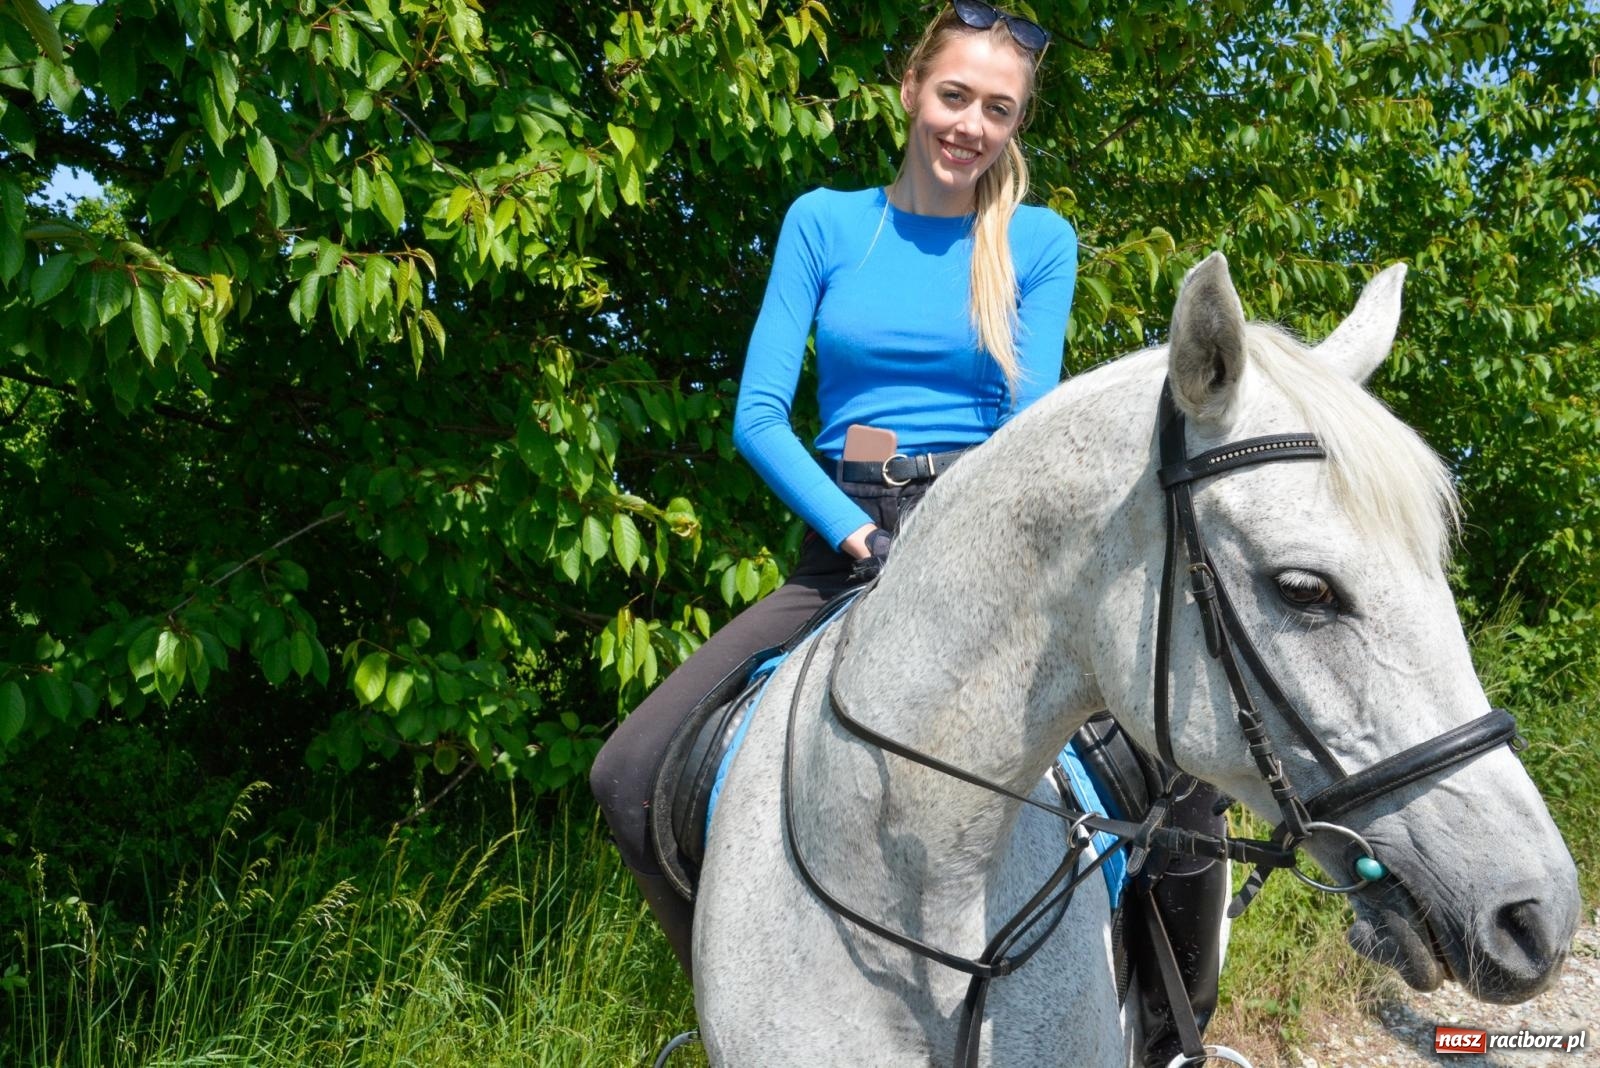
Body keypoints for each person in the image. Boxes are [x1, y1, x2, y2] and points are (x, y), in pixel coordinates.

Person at [589, 3, 1221, 1063]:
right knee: (628, 771)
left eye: (998, 109)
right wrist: (856, 536)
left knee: (1185, 771)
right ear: (910, 90)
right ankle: (733, 1000)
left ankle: (1170, 1034)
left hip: (982, 546)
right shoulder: (825, 223)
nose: (971, 125)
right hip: (843, 545)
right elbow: (758, 416)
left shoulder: (1037, 242)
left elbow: (1027, 428)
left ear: (1016, 125)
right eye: (954, 96)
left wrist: (946, 547)